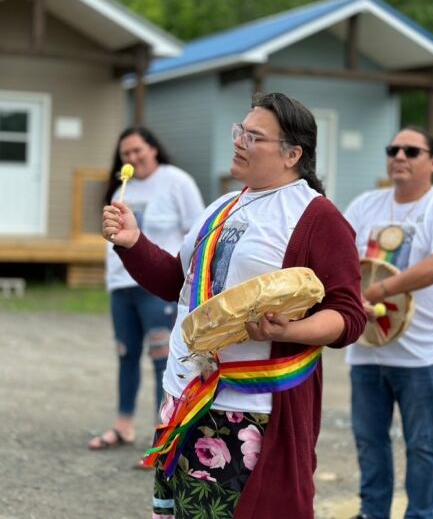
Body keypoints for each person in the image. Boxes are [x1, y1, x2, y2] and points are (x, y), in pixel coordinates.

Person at [103, 93, 366, 518]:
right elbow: (179, 283)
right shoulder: (223, 206)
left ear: (291, 154)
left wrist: (288, 331)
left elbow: (349, 316)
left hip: (251, 411)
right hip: (187, 396)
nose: (239, 141)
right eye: (238, 131)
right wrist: (132, 243)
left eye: (253, 136)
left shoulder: (317, 218)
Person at [344, 126, 433, 519]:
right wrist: (347, 300)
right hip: (366, 345)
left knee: (421, 445)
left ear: (432, 162)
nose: (399, 155)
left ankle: (420, 514)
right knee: (369, 440)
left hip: (422, 350)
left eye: (411, 151)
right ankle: (373, 512)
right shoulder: (366, 205)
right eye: (393, 149)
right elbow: (336, 256)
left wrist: (380, 291)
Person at [88, 127, 205, 450]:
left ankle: (163, 436)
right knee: (125, 355)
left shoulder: (176, 181)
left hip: (158, 285)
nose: (133, 158)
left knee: (162, 359)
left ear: (153, 149)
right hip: (121, 284)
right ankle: (123, 426)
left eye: (138, 150)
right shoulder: (120, 189)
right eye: (126, 154)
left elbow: (197, 231)